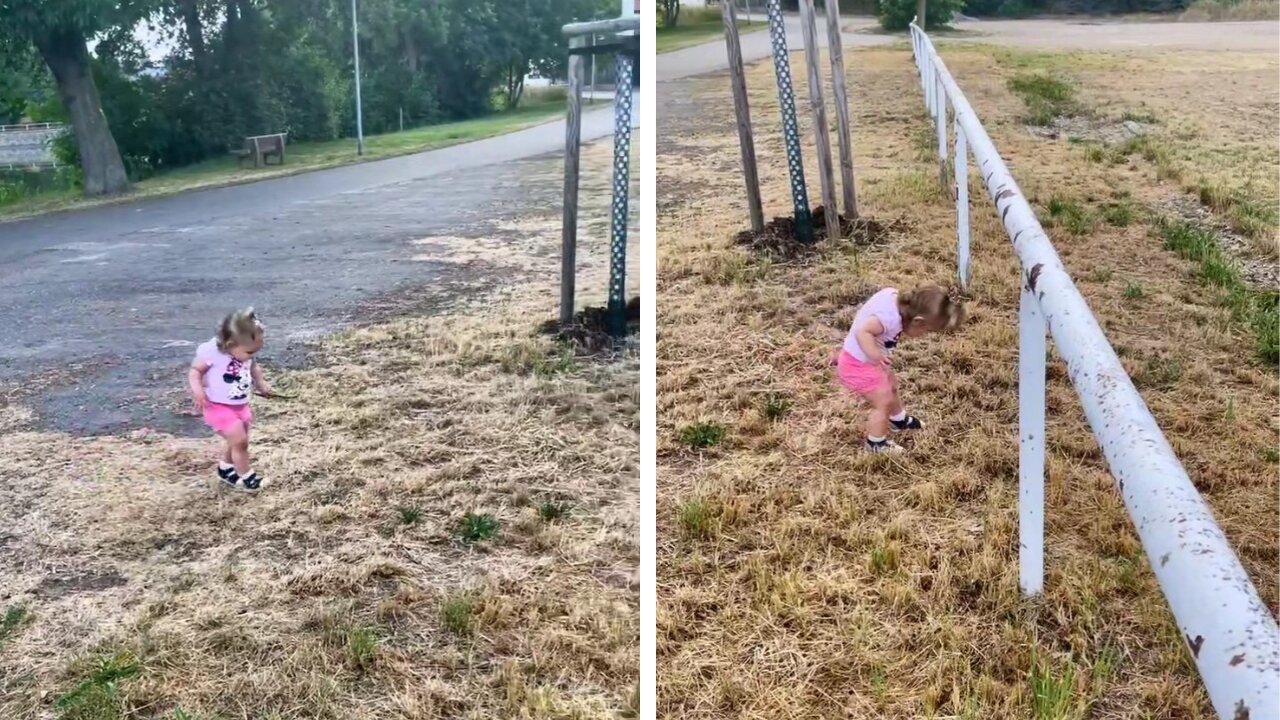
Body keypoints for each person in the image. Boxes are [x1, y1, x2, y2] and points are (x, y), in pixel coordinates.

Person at [835, 284, 964, 454]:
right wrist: (876, 355)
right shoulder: (889, 319)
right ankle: (876, 443)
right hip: (858, 364)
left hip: (867, 360)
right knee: (883, 402)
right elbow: (863, 331)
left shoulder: (895, 297)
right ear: (918, 321)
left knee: (891, 386)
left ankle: (898, 420)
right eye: (927, 331)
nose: (924, 335)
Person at [188, 308, 273, 490]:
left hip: (239, 405)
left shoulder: (245, 352)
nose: (252, 355)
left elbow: (254, 367)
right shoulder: (213, 353)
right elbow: (195, 371)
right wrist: (198, 391)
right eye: (250, 352)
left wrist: (261, 383)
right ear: (230, 344)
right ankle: (249, 479)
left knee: (238, 440)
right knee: (240, 442)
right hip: (217, 406)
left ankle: (226, 469)